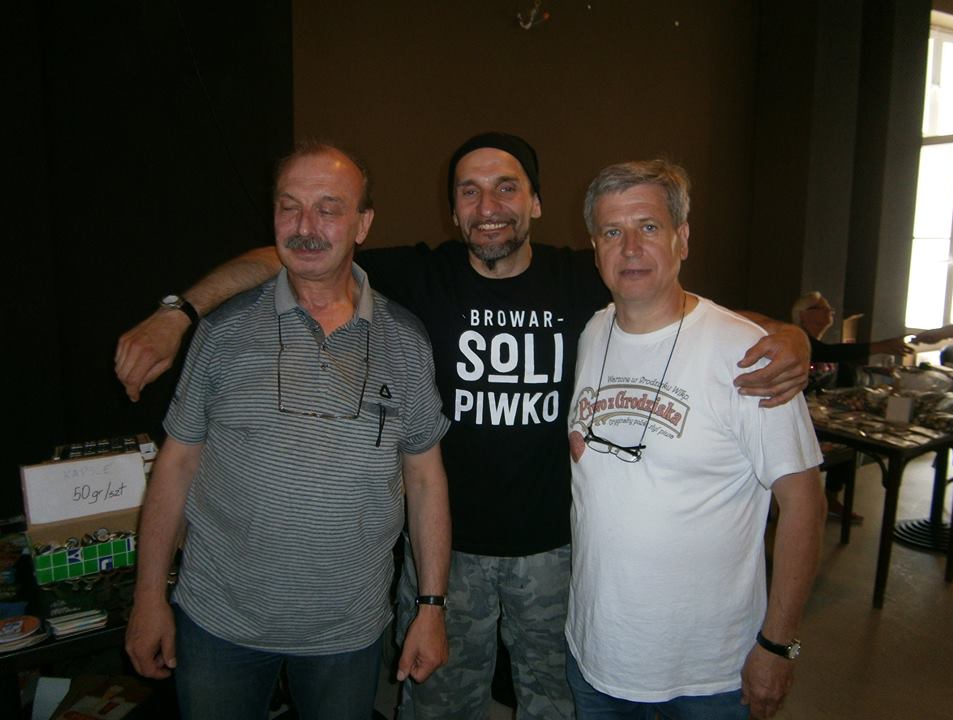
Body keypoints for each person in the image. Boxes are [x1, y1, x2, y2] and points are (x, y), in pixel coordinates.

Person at [116, 133, 812, 720]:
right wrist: (182, 311)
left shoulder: (585, 279)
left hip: (556, 556)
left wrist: (788, 336)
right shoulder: (422, 276)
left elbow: (675, 302)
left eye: (506, 188)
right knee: (438, 709)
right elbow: (300, 251)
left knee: (556, 708)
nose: (488, 207)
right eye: (470, 191)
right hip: (450, 561)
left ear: (536, 202)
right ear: (452, 210)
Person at [124, 143, 452, 720]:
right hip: (219, 620)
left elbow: (425, 480)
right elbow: (176, 466)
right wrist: (148, 596)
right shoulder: (222, 332)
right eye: (289, 206)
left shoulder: (405, 340)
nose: (305, 227)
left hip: (347, 630)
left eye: (329, 208)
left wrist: (431, 606)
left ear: (363, 224)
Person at [566, 160, 825, 720]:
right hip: (596, 654)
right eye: (612, 231)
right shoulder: (591, 332)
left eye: (648, 226)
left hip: (709, 675)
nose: (630, 247)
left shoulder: (748, 355)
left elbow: (805, 504)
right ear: (595, 248)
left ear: (682, 238)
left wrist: (778, 644)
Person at [792, 291, 913, 523]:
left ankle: (831, 497)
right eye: (821, 307)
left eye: (829, 308)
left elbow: (840, 367)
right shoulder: (797, 339)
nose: (829, 312)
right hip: (797, 419)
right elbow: (828, 353)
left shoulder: (819, 344)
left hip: (819, 416)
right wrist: (881, 346)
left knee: (850, 443)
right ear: (804, 315)